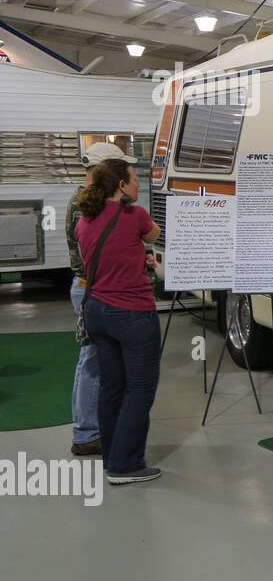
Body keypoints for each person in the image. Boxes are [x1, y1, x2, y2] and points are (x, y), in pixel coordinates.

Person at [75, 157, 163, 484]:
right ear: (121, 185)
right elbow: (155, 234)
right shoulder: (135, 215)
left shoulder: (84, 221)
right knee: (139, 388)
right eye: (133, 179)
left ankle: (112, 455)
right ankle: (125, 466)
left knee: (112, 386)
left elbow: (113, 254)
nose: (139, 184)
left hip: (96, 310)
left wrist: (138, 257)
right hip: (133, 313)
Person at [66, 142, 143, 456]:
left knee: (96, 360)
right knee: (93, 363)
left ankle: (92, 428)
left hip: (91, 286)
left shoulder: (87, 200)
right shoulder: (87, 203)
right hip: (92, 287)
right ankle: (86, 434)